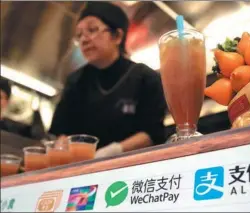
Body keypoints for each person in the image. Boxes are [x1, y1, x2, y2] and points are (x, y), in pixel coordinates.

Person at [49, 2, 167, 158]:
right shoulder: (75, 81)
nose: (84, 40)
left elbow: (152, 134)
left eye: (92, 30)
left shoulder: (145, 77)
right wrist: (61, 149)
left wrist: (114, 151)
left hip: (129, 169)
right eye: (79, 35)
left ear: (117, 36)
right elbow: (61, 132)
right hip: (80, 169)